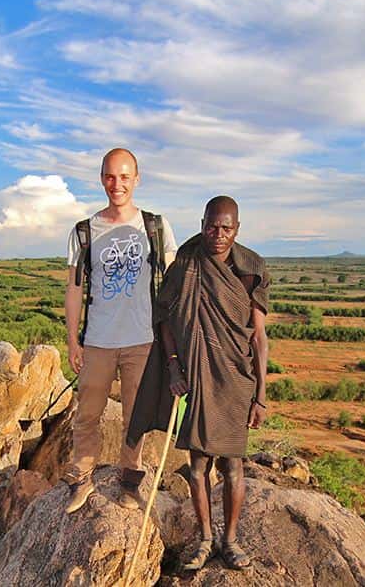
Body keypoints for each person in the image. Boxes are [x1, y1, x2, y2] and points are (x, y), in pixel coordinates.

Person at [127, 195, 270, 572]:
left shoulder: (251, 268)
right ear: (202, 221)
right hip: (199, 376)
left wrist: (261, 396)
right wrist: (174, 368)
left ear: (237, 229)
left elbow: (258, 337)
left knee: (234, 466)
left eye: (226, 228)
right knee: (196, 466)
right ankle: (206, 540)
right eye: (211, 226)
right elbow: (165, 316)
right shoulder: (188, 262)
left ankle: (231, 541)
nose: (217, 235)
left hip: (237, 379)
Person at [62, 147, 177, 514]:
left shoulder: (154, 227)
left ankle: (130, 483)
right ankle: (81, 479)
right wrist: (72, 341)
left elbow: (174, 283)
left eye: (124, 177)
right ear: (101, 179)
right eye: (111, 176)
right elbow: (75, 289)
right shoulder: (85, 231)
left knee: (136, 418)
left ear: (136, 179)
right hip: (97, 340)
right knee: (87, 415)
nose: (117, 184)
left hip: (142, 339)